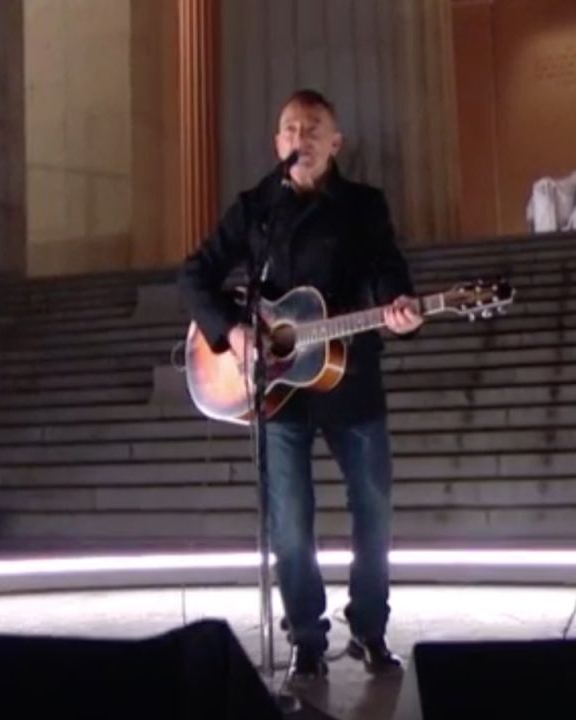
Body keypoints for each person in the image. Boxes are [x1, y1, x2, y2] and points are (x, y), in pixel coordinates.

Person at [178, 89, 423, 683]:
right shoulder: (257, 206)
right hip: (274, 389)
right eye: (290, 129)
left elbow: (388, 267)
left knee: (374, 510)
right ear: (277, 143)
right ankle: (306, 638)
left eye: (313, 129)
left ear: (335, 143)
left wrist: (401, 307)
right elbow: (194, 275)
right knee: (289, 520)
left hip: (351, 379)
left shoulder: (364, 206)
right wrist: (232, 332)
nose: (300, 139)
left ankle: (369, 629)